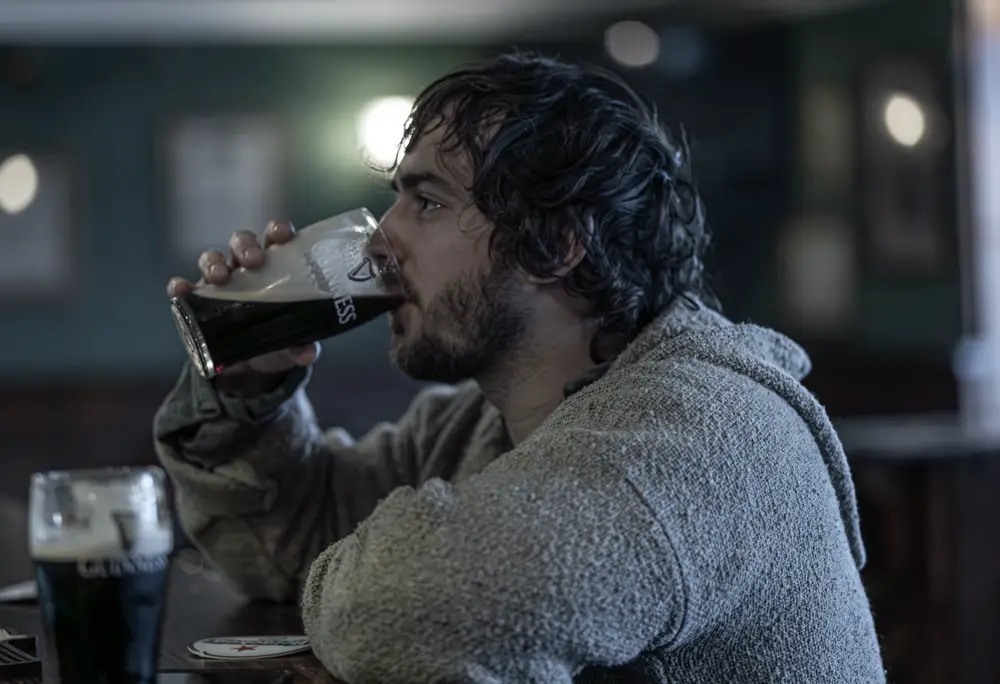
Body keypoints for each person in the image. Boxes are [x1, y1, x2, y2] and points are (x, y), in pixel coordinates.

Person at [153, 52, 885, 683]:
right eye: (397, 200)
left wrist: (359, 576)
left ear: (556, 244)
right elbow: (295, 540)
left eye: (429, 203)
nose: (381, 242)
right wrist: (250, 389)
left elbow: (396, 611)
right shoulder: (485, 419)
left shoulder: (699, 439)